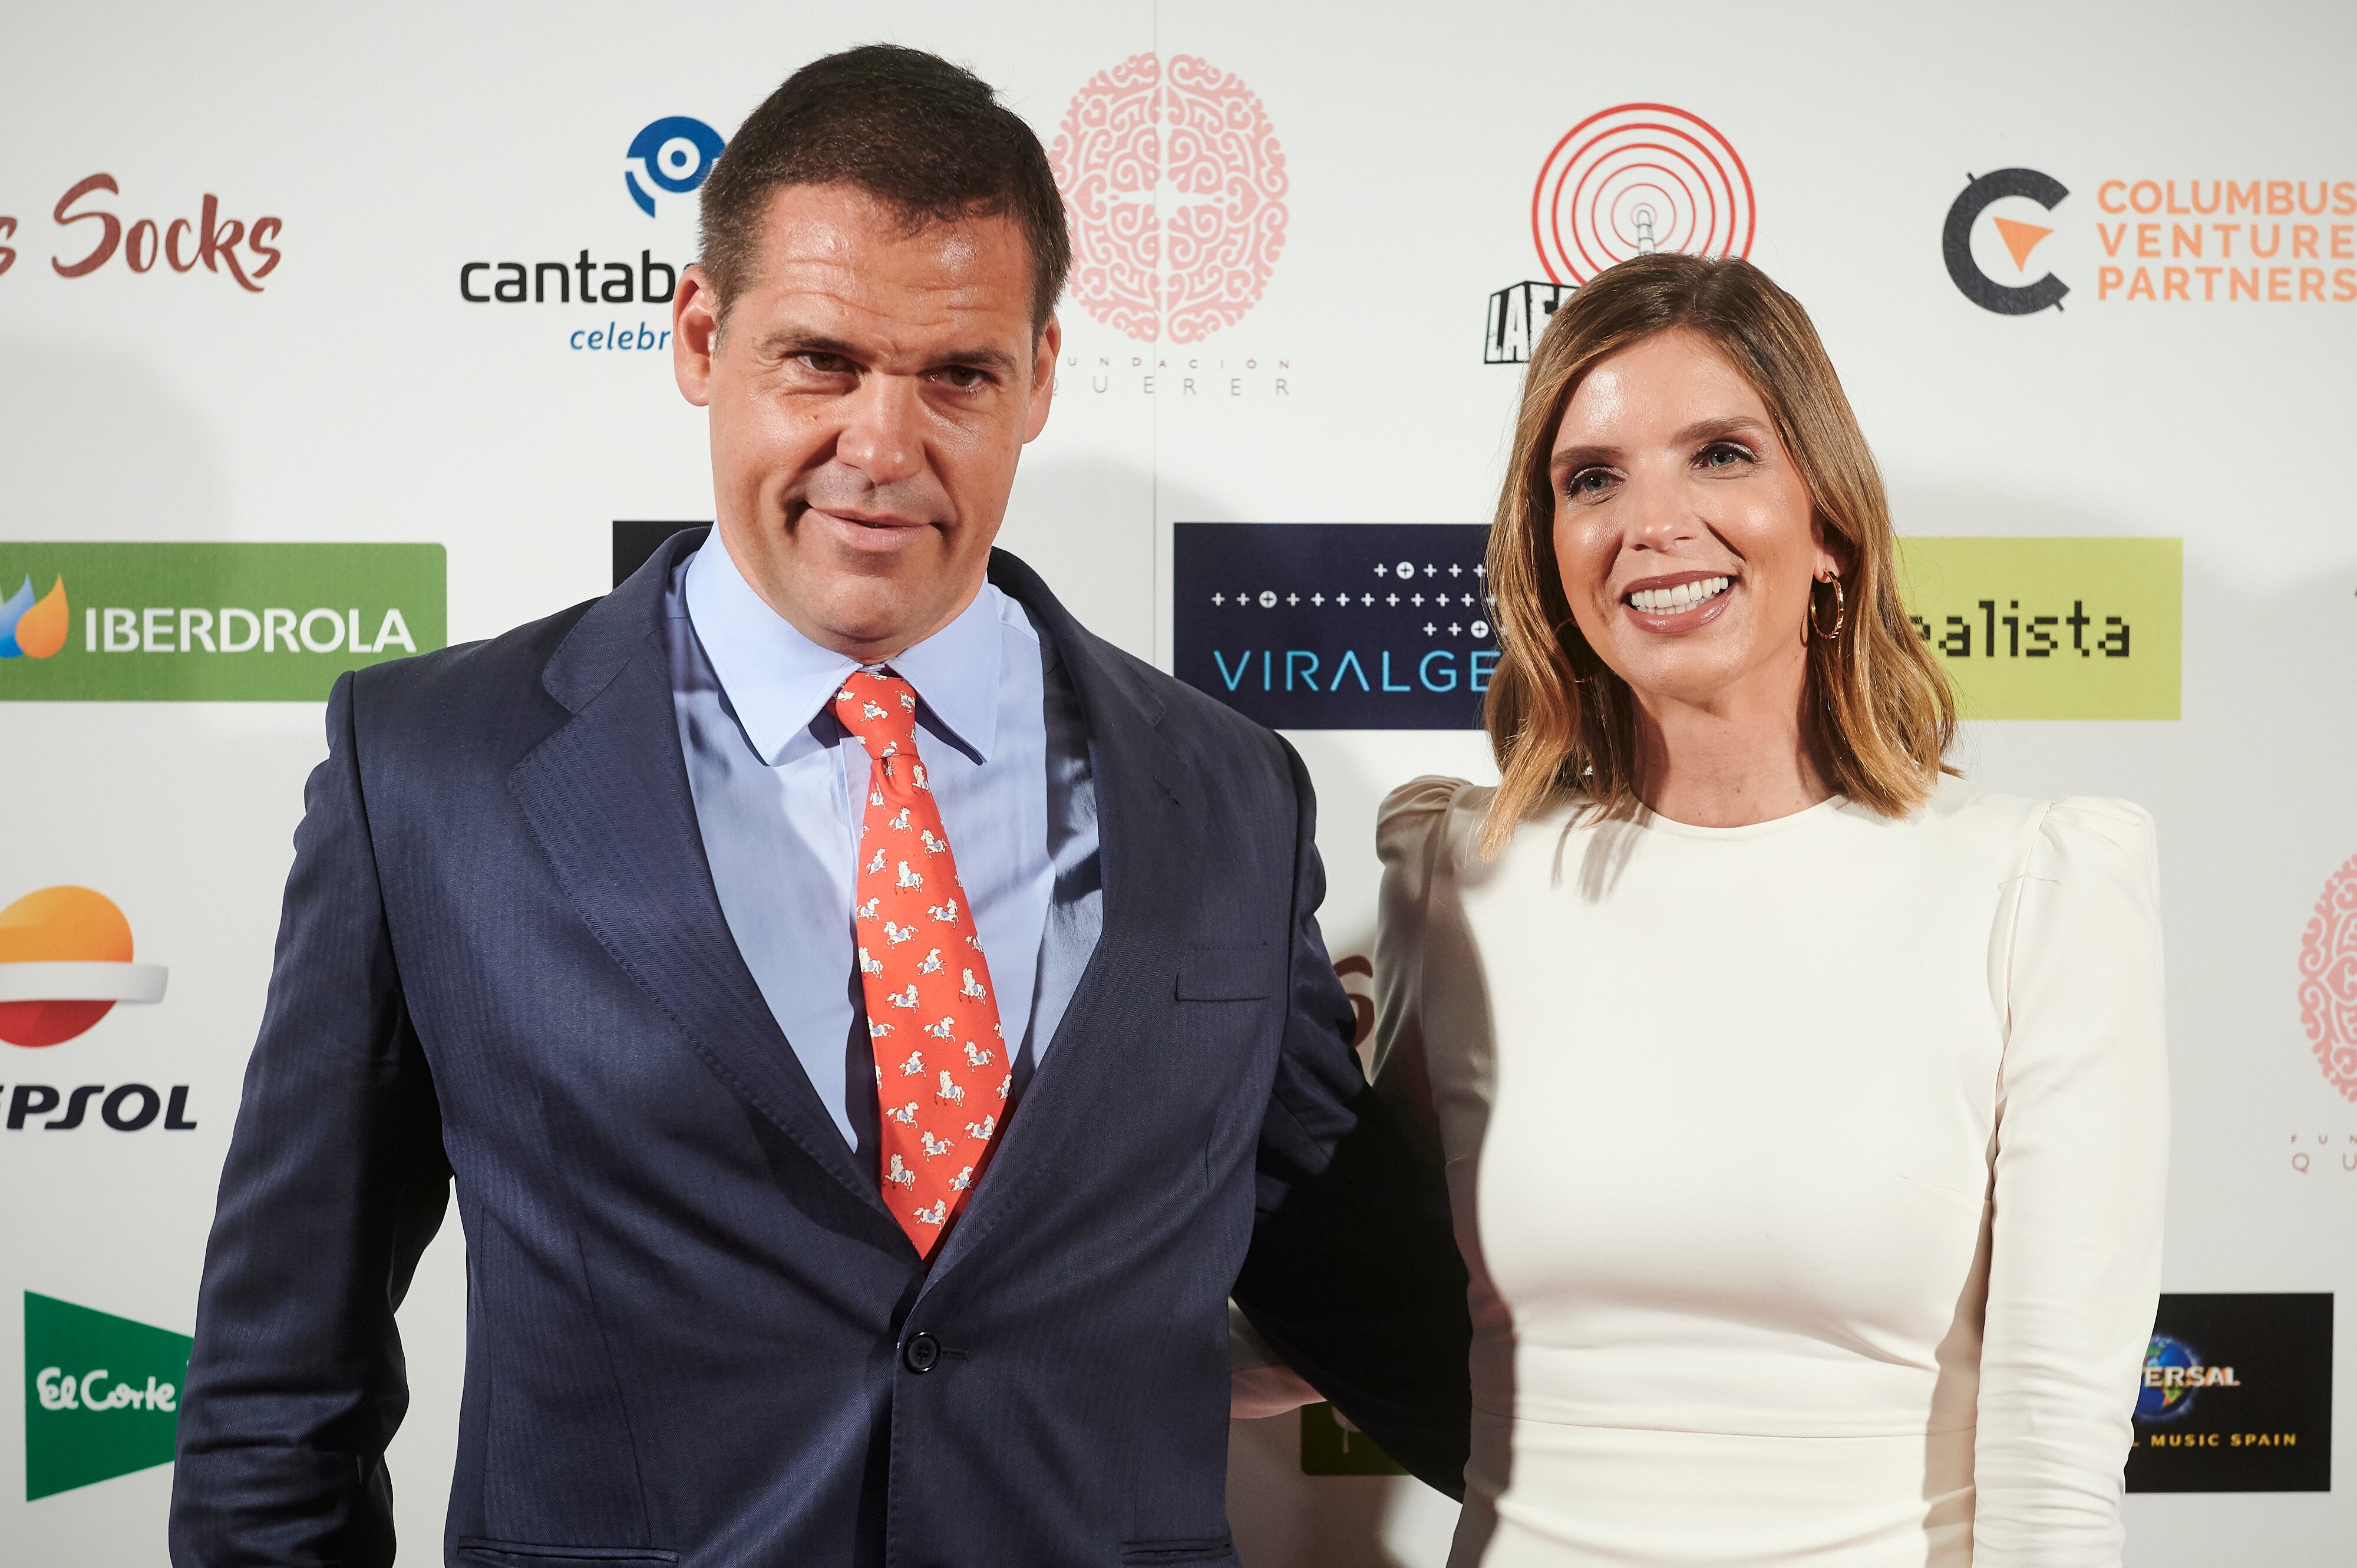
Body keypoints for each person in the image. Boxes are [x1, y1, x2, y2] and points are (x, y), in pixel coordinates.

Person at [169, 45, 1471, 1568]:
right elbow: (279, 1391)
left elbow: (1359, 1283)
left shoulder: (1230, 788)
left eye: (957, 376)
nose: (881, 446)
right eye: (821, 361)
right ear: (702, 335)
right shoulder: (432, 771)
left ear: (1040, 376)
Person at [1372, 254, 2167, 1565]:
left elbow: (2052, 1459)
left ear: (1830, 526)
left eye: (1720, 454)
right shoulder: (1458, 875)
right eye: (1592, 477)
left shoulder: (2031, 886)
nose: (1653, 519)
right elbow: (1329, 1287)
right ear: (1547, 546)